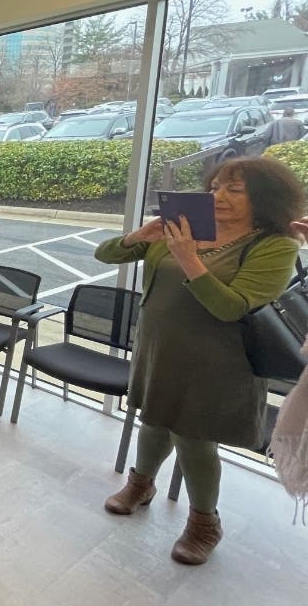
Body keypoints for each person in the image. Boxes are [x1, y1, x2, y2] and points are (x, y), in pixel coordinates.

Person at [95, 157, 304, 565]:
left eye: (235, 190)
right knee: (153, 419)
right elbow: (106, 255)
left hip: (218, 362)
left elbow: (232, 308)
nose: (219, 196)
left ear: (264, 198)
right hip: (160, 346)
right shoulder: (183, 227)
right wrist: (140, 236)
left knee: (193, 437)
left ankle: (204, 523)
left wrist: (189, 257)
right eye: (215, 188)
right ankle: (141, 484)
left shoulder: (274, 246)